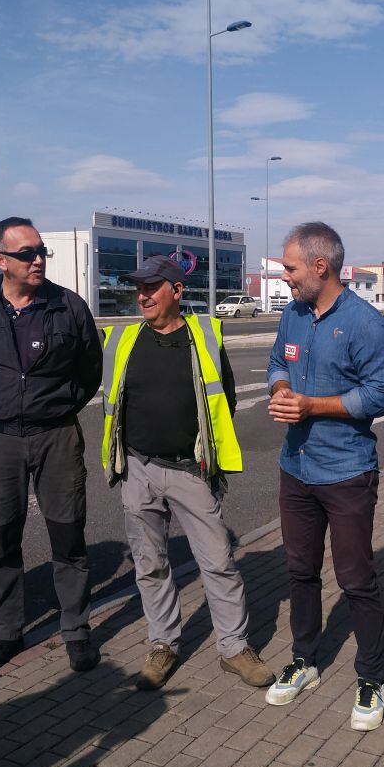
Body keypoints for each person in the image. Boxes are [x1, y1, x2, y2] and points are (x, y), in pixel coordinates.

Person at [100, 255, 274, 691]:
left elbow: (225, 401)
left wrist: (203, 454)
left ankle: (234, 649)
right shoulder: (122, 339)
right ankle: (163, 645)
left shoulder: (206, 337)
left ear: (176, 291)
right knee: (150, 564)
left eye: (151, 287)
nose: (141, 295)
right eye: (137, 287)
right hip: (137, 468)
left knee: (217, 562)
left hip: (190, 471)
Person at [263, 222, 384, 731]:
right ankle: (305, 659)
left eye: (291, 269)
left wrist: (311, 405)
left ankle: (371, 676)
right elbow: (278, 360)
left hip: (345, 473)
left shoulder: (364, 323)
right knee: (300, 572)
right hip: (294, 469)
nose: (286, 279)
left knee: (356, 579)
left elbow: (381, 396)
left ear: (321, 266)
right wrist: (279, 386)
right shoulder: (293, 314)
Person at [0, 217, 103, 674]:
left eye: (41, 251)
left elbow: (89, 372)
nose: (38, 259)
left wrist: (55, 408)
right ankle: (6, 632)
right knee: (2, 538)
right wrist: (2, 407)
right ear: (0, 260)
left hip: (56, 435)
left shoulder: (69, 307)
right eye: (26, 253)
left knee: (68, 535)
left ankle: (76, 629)